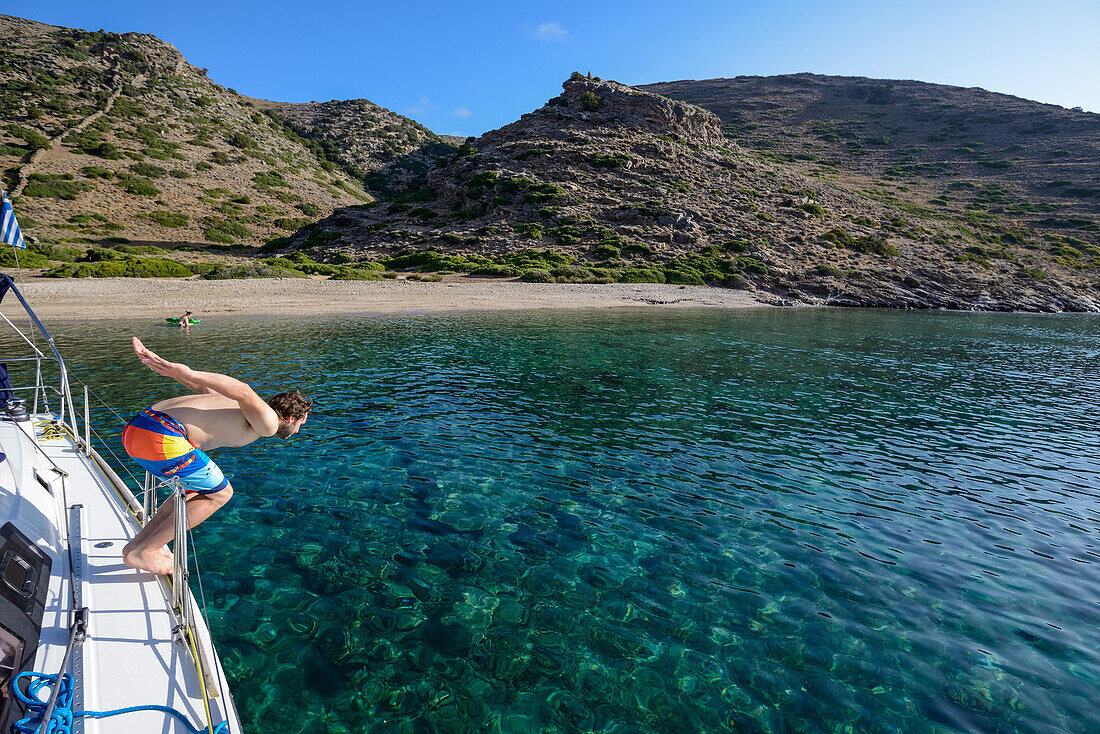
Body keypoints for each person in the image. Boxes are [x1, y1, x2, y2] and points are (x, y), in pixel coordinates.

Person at [121, 337, 312, 575]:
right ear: (291, 418)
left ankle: (138, 545)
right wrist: (187, 372)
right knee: (222, 494)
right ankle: (144, 552)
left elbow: (204, 388)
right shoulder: (270, 422)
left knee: (192, 491)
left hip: (136, 429)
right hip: (162, 435)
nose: (297, 431)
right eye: (301, 425)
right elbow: (243, 389)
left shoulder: (229, 402)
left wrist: (172, 371)